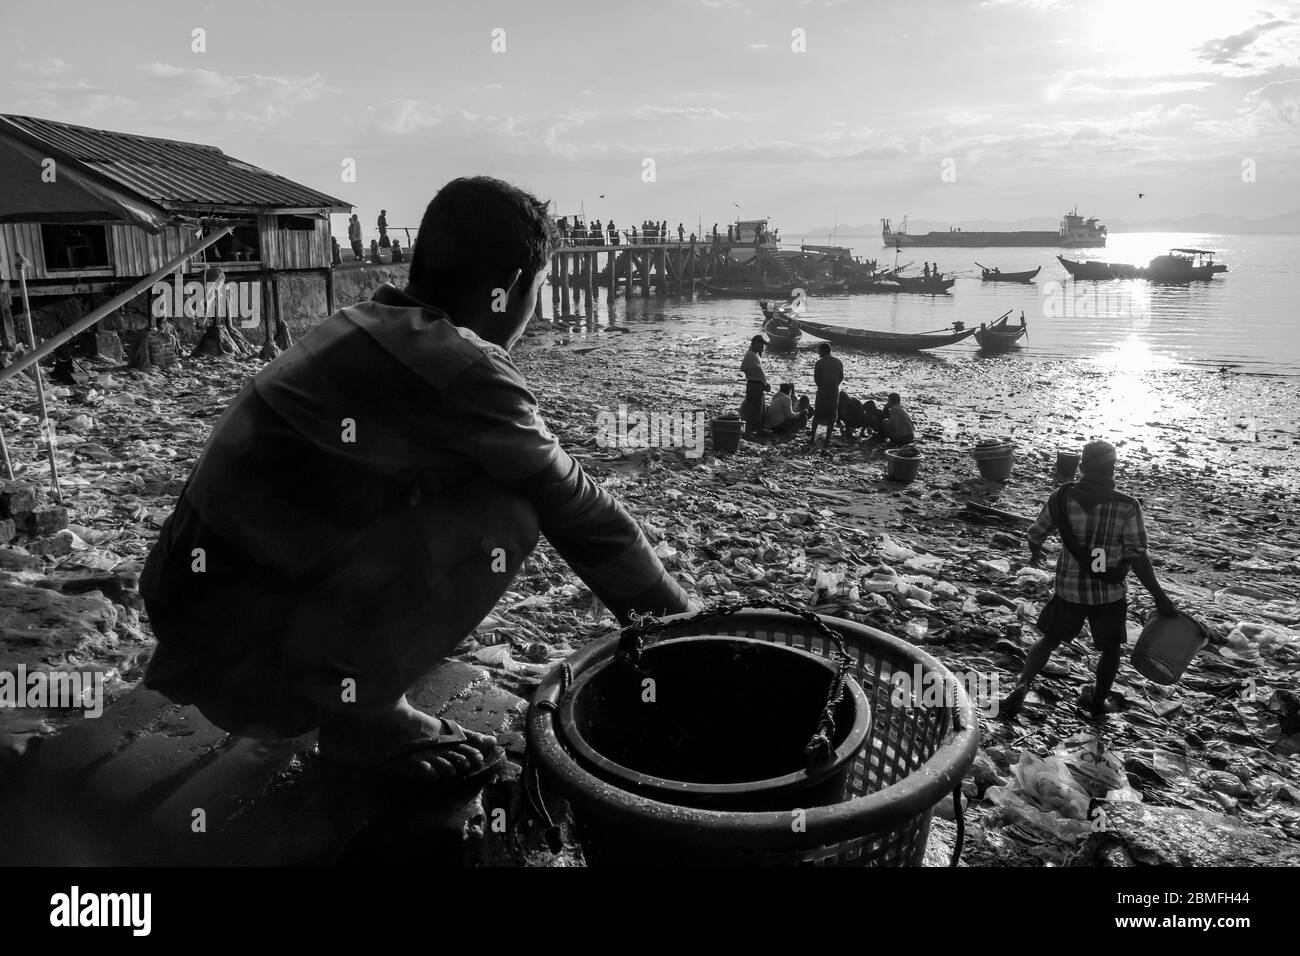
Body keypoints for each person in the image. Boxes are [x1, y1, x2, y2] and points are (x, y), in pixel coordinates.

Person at [139, 176, 692, 788]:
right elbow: (583, 514)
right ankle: (366, 723)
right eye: (539, 288)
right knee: (510, 512)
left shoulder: (358, 322)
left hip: (186, 619)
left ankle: (353, 687)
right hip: (247, 671)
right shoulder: (460, 365)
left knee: (469, 480)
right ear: (508, 289)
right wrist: (685, 629)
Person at [1000, 441, 1178, 722]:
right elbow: (1138, 557)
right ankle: (1097, 701)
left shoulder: (1062, 498)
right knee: (1110, 649)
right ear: (1113, 469)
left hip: (1069, 588)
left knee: (1049, 639)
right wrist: (1159, 597)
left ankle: (1023, 683)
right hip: (1108, 593)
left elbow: (1036, 534)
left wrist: (1037, 553)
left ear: (1082, 467)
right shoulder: (1127, 506)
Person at [808, 343, 843, 451]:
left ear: (823, 351)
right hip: (833, 392)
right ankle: (827, 440)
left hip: (822, 391)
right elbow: (841, 377)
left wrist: (822, 386)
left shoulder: (819, 363)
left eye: (819, 350)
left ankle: (812, 438)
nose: (818, 352)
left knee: (817, 414)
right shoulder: (838, 362)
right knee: (831, 416)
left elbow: (816, 379)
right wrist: (834, 386)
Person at [740, 334, 769, 438]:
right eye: (761, 344)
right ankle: (749, 431)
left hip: (758, 384)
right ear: (755, 343)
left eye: (763, 345)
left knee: (760, 409)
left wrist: (764, 382)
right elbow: (743, 368)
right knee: (754, 409)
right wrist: (756, 376)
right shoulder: (751, 354)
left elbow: (759, 371)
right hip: (754, 384)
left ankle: (757, 430)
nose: (763, 347)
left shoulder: (755, 354)